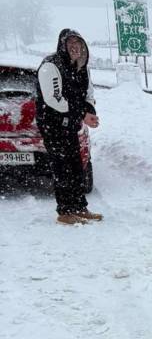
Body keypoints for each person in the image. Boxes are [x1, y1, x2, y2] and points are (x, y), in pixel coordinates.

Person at [36, 28, 101, 225]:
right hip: (52, 124)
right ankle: (64, 211)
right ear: (62, 46)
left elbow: (88, 93)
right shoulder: (51, 66)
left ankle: (79, 207)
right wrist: (82, 114)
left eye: (78, 43)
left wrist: (89, 111)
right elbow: (54, 99)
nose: (75, 47)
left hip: (71, 124)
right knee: (62, 167)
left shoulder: (82, 67)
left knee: (76, 166)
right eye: (70, 43)